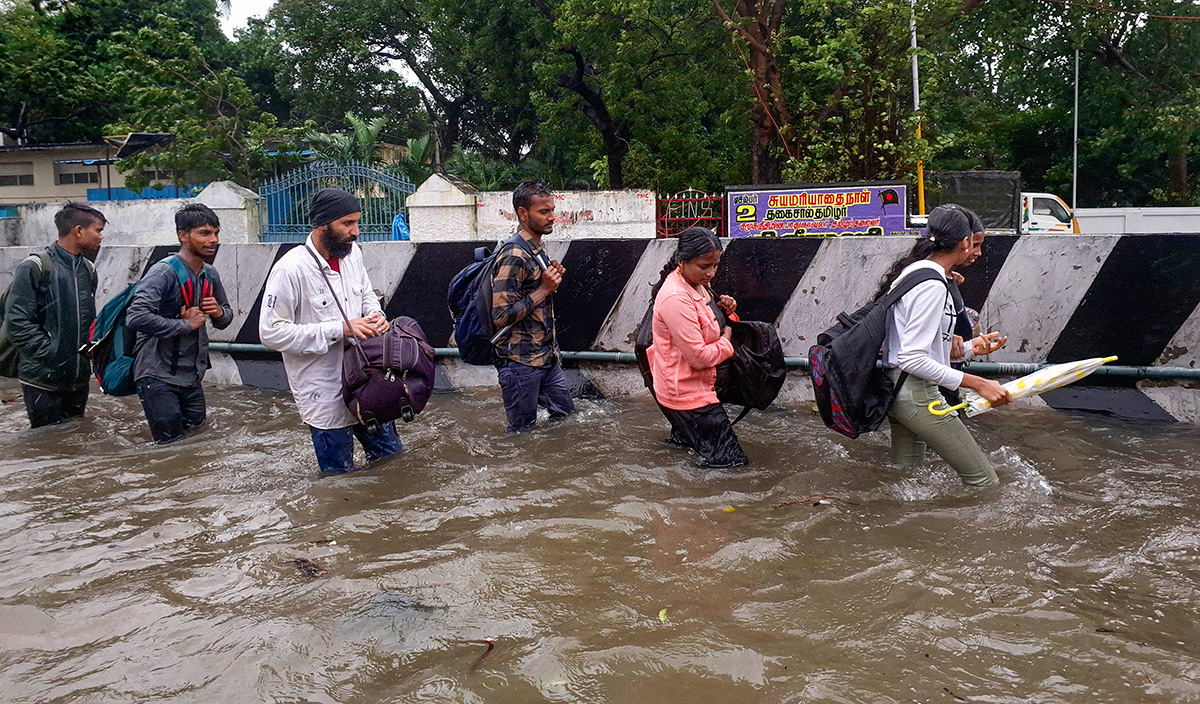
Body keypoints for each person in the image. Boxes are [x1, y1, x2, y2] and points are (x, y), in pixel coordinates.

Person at [258, 188, 399, 473]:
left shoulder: (352, 254)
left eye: (357, 222)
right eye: (347, 223)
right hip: (323, 392)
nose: (356, 231)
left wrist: (376, 314)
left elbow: (365, 293)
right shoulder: (290, 270)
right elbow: (270, 333)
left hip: (367, 382)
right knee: (338, 478)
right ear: (322, 224)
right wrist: (339, 329)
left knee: (393, 461)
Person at [878, 204, 1010, 489]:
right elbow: (913, 358)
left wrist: (971, 349)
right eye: (974, 244)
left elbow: (924, 347)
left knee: (906, 479)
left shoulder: (917, 273)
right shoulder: (931, 285)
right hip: (918, 394)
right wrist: (979, 383)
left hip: (899, 390)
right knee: (984, 482)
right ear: (963, 242)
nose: (977, 251)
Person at [126, 204, 233, 444]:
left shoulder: (210, 273)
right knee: (169, 446)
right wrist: (184, 325)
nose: (213, 240)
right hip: (157, 375)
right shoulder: (163, 272)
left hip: (191, 376)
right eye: (204, 233)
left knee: (195, 441)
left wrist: (218, 312)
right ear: (182, 236)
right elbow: (136, 316)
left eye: (216, 233)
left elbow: (226, 318)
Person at [648, 226, 747, 468]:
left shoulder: (695, 285)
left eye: (715, 265)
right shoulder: (675, 297)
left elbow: (705, 324)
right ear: (682, 261)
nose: (712, 273)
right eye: (705, 266)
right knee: (732, 466)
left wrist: (726, 311)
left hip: (683, 389)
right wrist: (727, 342)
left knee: (685, 453)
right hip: (689, 396)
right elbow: (699, 357)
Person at [4, 202, 104, 428]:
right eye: (97, 230)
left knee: (72, 440)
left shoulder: (87, 269)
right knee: (47, 441)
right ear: (79, 230)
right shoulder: (36, 266)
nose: (100, 237)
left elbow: (88, 320)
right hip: (42, 378)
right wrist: (53, 355)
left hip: (77, 378)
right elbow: (17, 322)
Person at [490, 179, 575, 433]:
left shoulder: (536, 247)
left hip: (547, 357)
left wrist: (549, 280)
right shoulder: (514, 255)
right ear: (523, 214)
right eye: (544, 212)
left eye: (552, 210)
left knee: (566, 419)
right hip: (520, 362)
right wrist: (544, 289)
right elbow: (501, 315)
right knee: (521, 436)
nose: (552, 217)